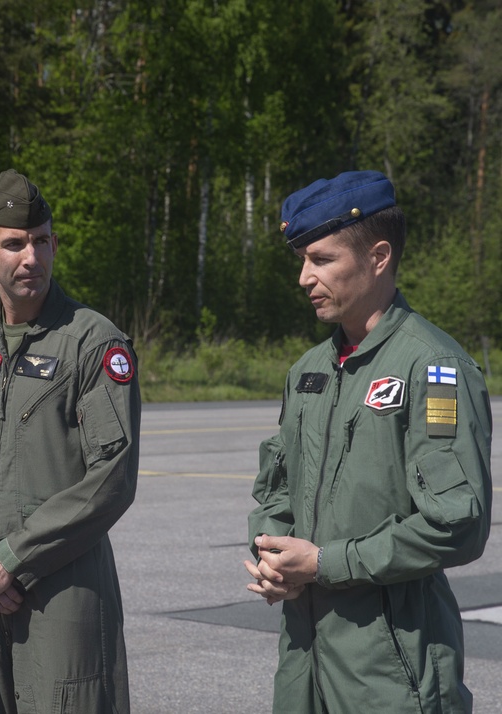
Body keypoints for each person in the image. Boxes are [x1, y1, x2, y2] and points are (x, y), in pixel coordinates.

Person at [244, 171, 492, 713]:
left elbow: (458, 527)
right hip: (303, 662)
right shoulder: (308, 371)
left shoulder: (434, 367)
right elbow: (278, 489)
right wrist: (270, 553)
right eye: (302, 261)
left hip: (392, 670)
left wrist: (326, 563)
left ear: (378, 257)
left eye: (322, 259)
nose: (305, 278)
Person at [0, 169, 141, 713]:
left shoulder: (93, 343)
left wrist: (12, 559)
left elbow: (110, 479)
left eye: (42, 242)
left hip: (61, 589)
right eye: (15, 244)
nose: (31, 258)